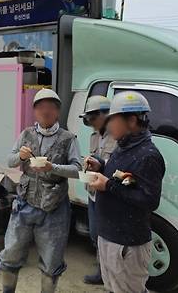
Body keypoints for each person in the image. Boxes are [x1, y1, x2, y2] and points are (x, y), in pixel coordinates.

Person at [0, 89, 81, 293]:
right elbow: (9, 160)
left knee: (52, 260)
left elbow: (77, 169)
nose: (46, 111)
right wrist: (21, 157)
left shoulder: (68, 138)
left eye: (51, 107)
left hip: (54, 209)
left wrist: (53, 167)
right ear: (35, 111)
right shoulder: (26, 134)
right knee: (11, 252)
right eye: (41, 107)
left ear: (57, 112)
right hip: (24, 204)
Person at [86, 91, 166, 293]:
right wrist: (101, 165)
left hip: (127, 243)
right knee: (114, 288)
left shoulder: (148, 155)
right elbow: (122, 177)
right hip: (109, 235)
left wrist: (108, 186)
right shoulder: (124, 147)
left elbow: (150, 200)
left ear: (131, 120)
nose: (109, 124)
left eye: (113, 119)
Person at [79, 95, 117, 285]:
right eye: (88, 119)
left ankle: (111, 274)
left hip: (110, 194)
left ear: (106, 115)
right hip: (94, 193)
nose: (90, 123)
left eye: (93, 118)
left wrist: (101, 165)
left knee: (109, 236)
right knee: (95, 234)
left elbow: (119, 167)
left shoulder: (118, 136)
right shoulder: (95, 136)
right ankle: (102, 271)